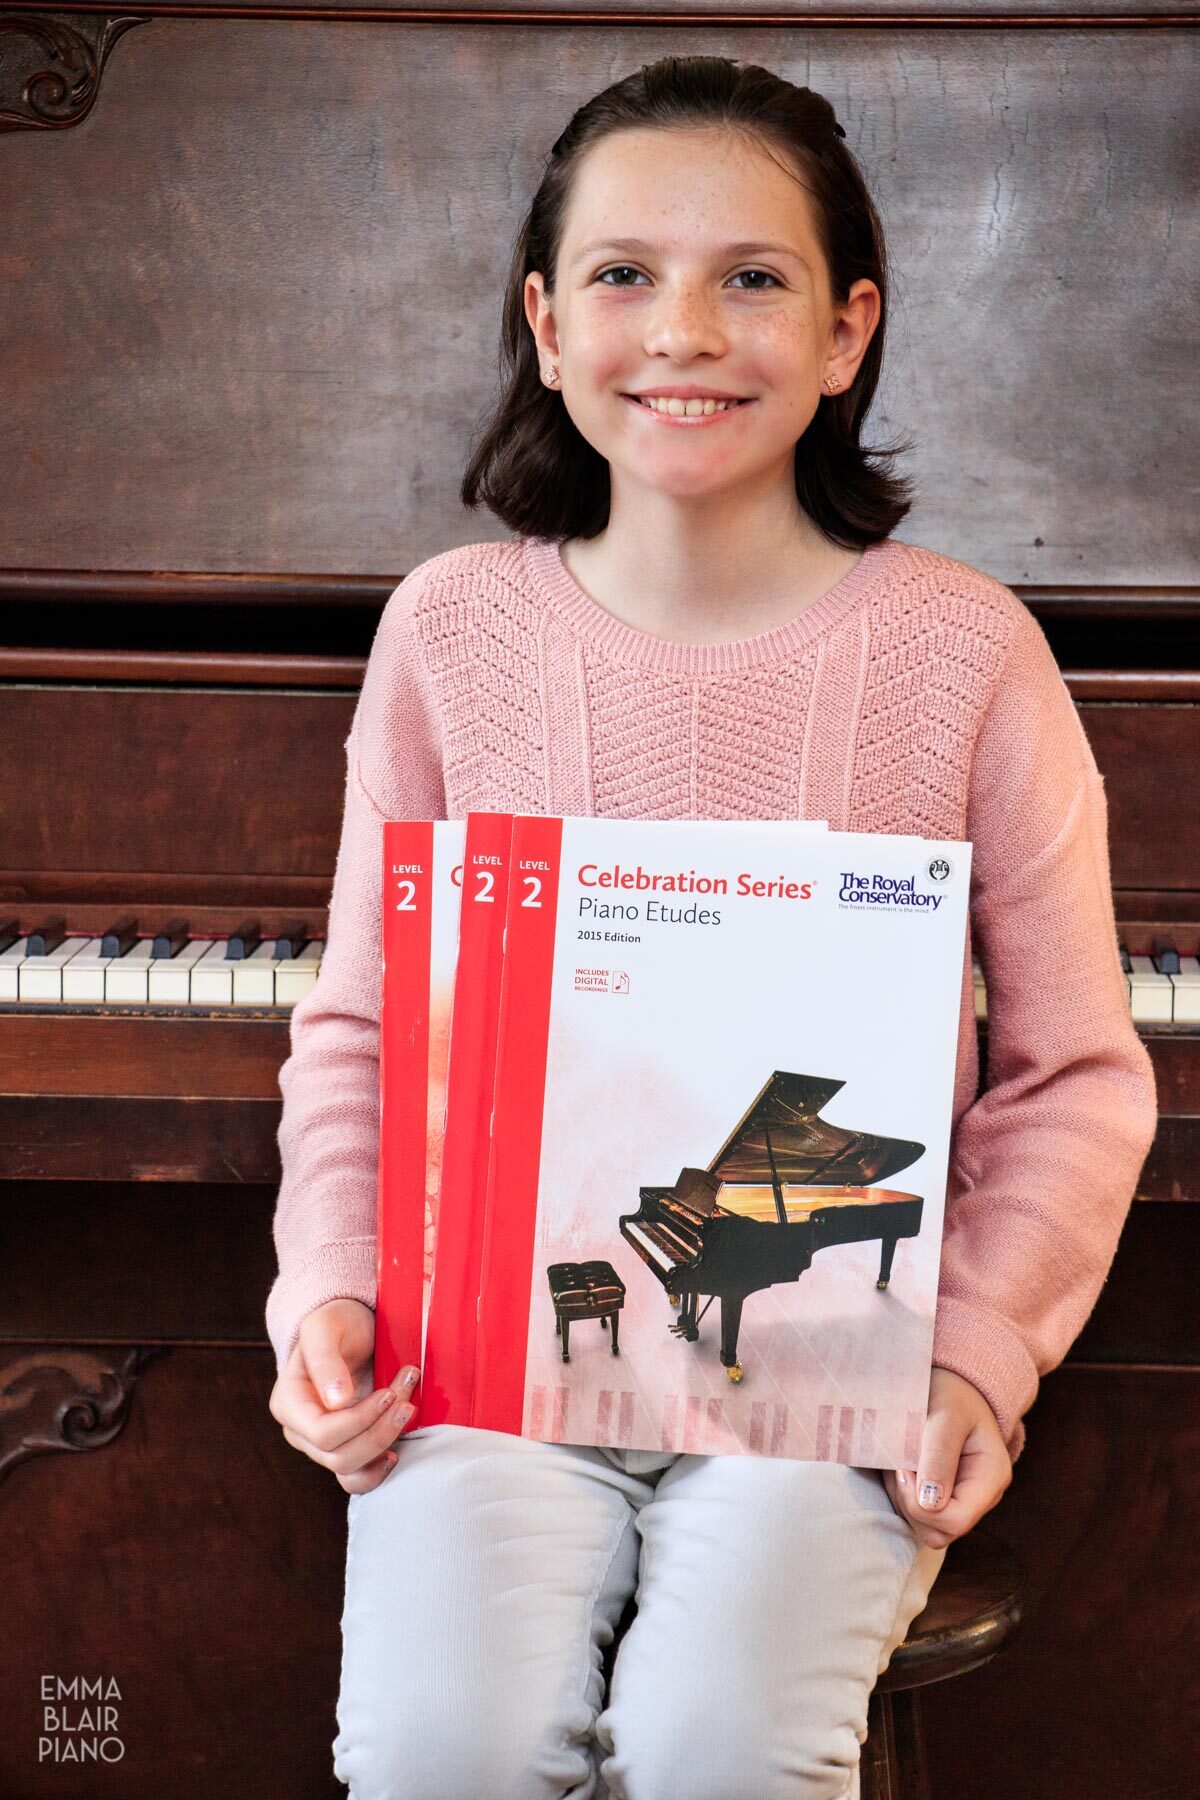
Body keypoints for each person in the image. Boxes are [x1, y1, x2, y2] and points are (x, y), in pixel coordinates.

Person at [264, 55, 1158, 1800]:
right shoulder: (450, 630)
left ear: (846, 333)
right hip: (492, 1371)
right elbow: (363, 1031)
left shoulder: (969, 651)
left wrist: (978, 1351)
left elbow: (1072, 1073)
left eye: (752, 278)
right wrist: (334, 1287)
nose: (684, 329)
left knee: (718, 1750)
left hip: (830, 1386)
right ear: (543, 321)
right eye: (623, 275)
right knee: (441, 1747)